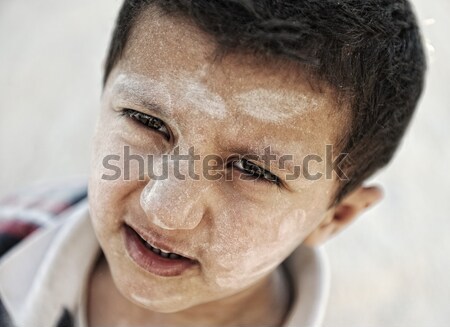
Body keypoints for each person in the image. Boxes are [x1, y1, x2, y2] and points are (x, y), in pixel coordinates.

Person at [0, 0, 425, 326]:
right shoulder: (12, 235)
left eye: (254, 170)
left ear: (335, 217)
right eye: (148, 122)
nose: (163, 209)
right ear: (104, 91)